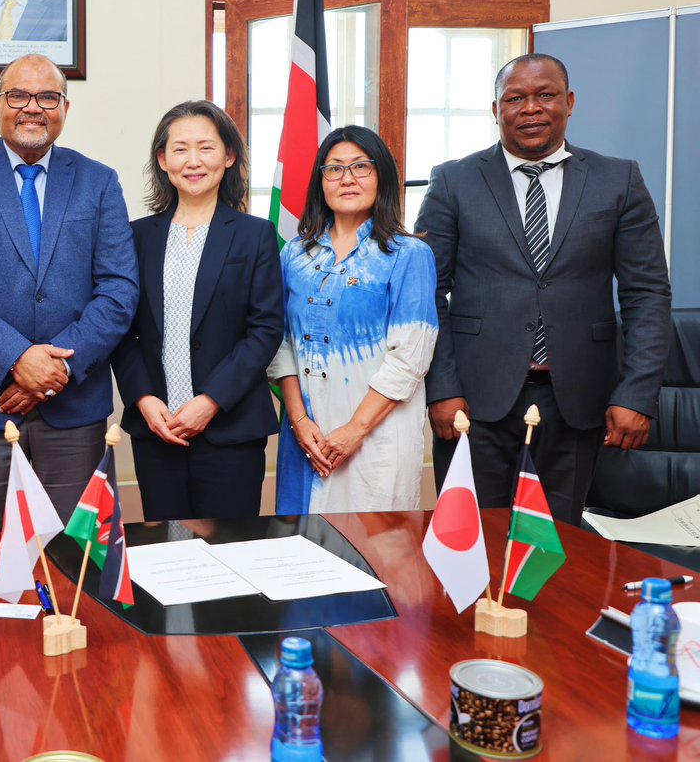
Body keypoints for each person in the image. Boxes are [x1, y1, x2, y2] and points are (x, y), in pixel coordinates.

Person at [415, 53, 671, 525]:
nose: (530, 108)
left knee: (557, 548)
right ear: (496, 110)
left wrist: (636, 394)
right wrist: (442, 388)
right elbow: (426, 292)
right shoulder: (454, 181)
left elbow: (646, 294)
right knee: (472, 544)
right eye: (515, 98)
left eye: (545, 95)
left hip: (577, 398)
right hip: (474, 402)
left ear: (569, 102)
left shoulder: (619, 180)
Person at [0, 53, 138, 534]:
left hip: (75, 404)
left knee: (76, 554)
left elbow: (119, 289)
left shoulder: (98, 182)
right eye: (18, 95)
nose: (32, 107)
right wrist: (17, 357)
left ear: (65, 107)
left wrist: (55, 368)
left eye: (47, 96)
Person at [112, 101, 284, 520]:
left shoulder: (254, 234)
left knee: (231, 554)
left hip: (231, 429)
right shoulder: (136, 236)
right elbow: (121, 330)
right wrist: (143, 399)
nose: (193, 161)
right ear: (162, 159)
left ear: (228, 157)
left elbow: (265, 328)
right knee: (168, 554)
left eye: (206, 148)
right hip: (157, 429)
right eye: (180, 149)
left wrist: (210, 401)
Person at [269, 126, 438, 514]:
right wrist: (298, 420)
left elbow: (409, 359)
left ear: (383, 178)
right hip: (306, 437)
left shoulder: (408, 255)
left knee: (377, 557)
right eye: (334, 169)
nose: (347, 179)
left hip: (377, 438)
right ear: (320, 182)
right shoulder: (294, 255)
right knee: (303, 555)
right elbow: (278, 344)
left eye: (361, 166)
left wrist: (353, 431)